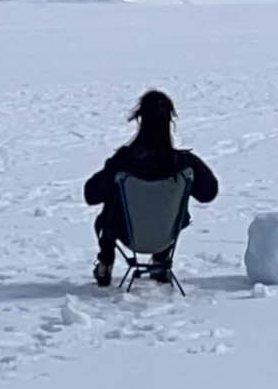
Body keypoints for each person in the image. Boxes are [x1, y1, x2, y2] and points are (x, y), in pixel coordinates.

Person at [80, 89, 219, 289]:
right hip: (166, 235)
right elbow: (208, 193)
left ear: (140, 120)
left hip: (127, 233)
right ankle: (160, 260)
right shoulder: (184, 164)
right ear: (169, 122)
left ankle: (105, 261)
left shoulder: (124, 161)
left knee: (111, 204)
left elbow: (91, 194)